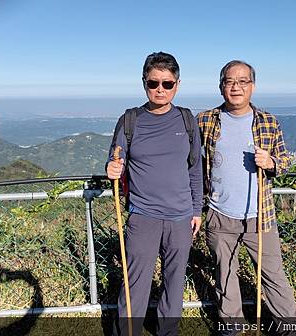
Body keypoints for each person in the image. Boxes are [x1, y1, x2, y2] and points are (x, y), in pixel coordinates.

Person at [197, 60, 296, 335]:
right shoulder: (205, 120)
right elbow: (191, 161)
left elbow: (285, 162)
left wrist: (271, 163)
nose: (236, 87)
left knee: (273, 274)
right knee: (225, 274)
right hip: (219, 212)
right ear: (221, 86)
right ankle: (232, 324)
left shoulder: (268, 122)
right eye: (230, 81)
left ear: (252, 86)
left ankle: (290, 326)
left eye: (243, 81)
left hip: (260, 213)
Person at [106, 51, 202, 336]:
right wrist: (111, 168)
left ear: (177, 85)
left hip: (181, 217)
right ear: (144, 83)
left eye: (167, 84)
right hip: (143, 215)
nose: (160, 89)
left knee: (174, 282)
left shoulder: (187, 120)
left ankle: (167, 331)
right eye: (153, 83)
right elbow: (114, 161)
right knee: (134, 282)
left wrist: (197, 210)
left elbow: (195, 169)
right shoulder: (130, 120)